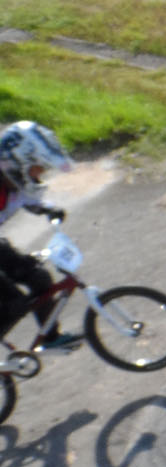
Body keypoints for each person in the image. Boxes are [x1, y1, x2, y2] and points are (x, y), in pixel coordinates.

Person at [0, 121, 80, 353]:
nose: (40, 174)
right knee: (13, 302)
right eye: (37, 168)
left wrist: (48, 209)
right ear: (17, 163)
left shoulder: (15, 181)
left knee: (39, 278)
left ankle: (50, 338)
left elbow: (28, 201)